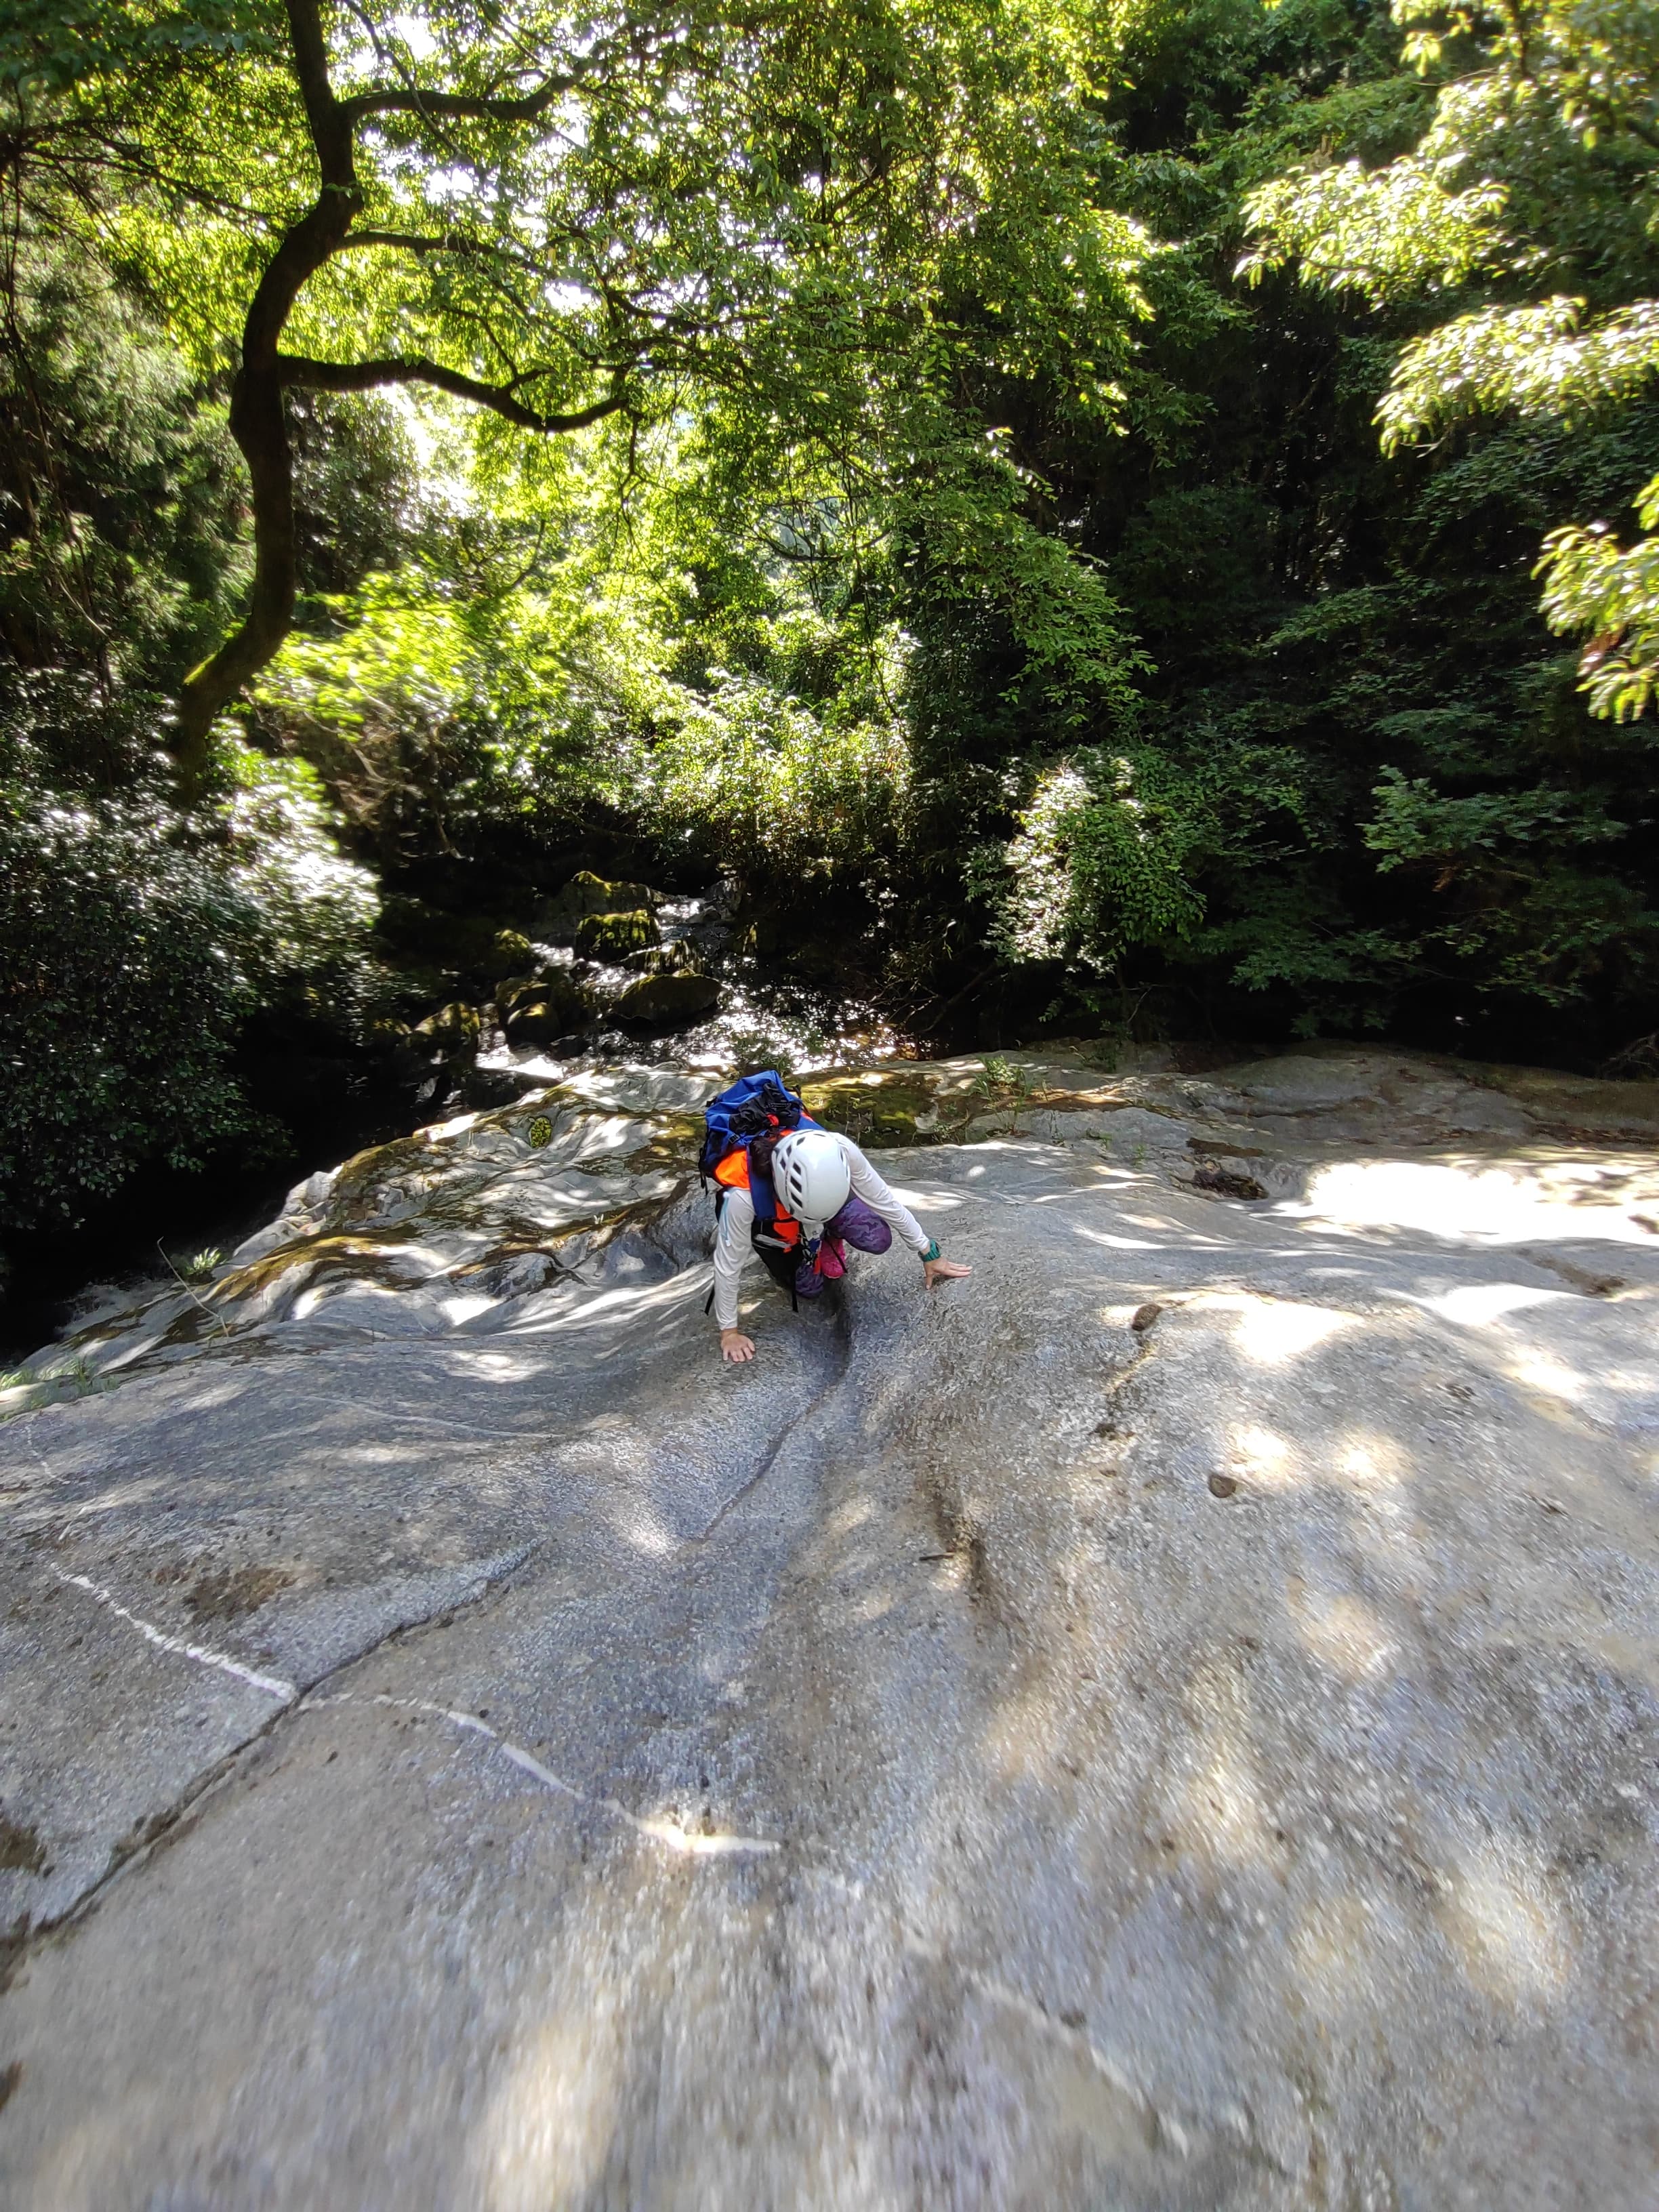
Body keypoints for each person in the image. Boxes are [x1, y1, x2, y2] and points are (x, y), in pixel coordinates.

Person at [713, 1124, 970, 1361]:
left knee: (877, 1238)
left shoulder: (839, 1149)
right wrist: (729, 1333)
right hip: (776, 1230)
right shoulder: (742, 1199)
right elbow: (728, 1265)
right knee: (811, 1290)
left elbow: (885, 1202)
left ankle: (829, 1235)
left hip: (824, 1203)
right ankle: (797, 1250)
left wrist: (929, 1252)